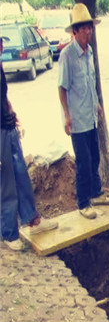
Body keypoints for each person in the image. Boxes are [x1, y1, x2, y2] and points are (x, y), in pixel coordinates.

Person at [1, 34, 58, 250]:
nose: (2, 45)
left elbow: (4, 96)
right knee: (6, 184)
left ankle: (33, 219)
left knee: (21, 175)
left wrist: (13, 114)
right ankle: (8, 232)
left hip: (8, 129)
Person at [58, 3, 109, 220]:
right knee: (83, 161)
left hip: (90, 116)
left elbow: (91, 82)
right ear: (75, 31)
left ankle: (96, 193)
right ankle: (83, 203)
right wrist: (67, 116)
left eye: (90, 28)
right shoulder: (67, 56)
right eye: (83, 29)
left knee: (94, 158)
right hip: (77, 120)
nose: (88, 32)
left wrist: (97, 104)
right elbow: (62, 88)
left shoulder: (89, 52)